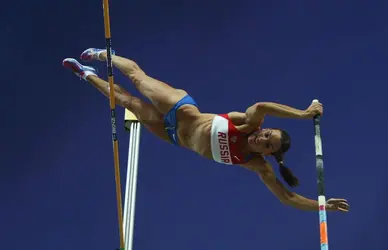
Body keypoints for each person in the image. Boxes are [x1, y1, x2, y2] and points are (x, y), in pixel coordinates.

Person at [62, 48, 349, 212]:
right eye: (267, 134)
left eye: (266, 143)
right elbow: (262, 105)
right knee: (138, 78)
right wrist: (303, 113)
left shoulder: (256, 164)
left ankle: (86, 76)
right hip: (180, 108)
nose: (261, 138)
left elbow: (287, 197)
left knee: (126, 101)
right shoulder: (249, 122)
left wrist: (322, 205)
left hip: (173, 135)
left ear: (268, 153)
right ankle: (105, 55)